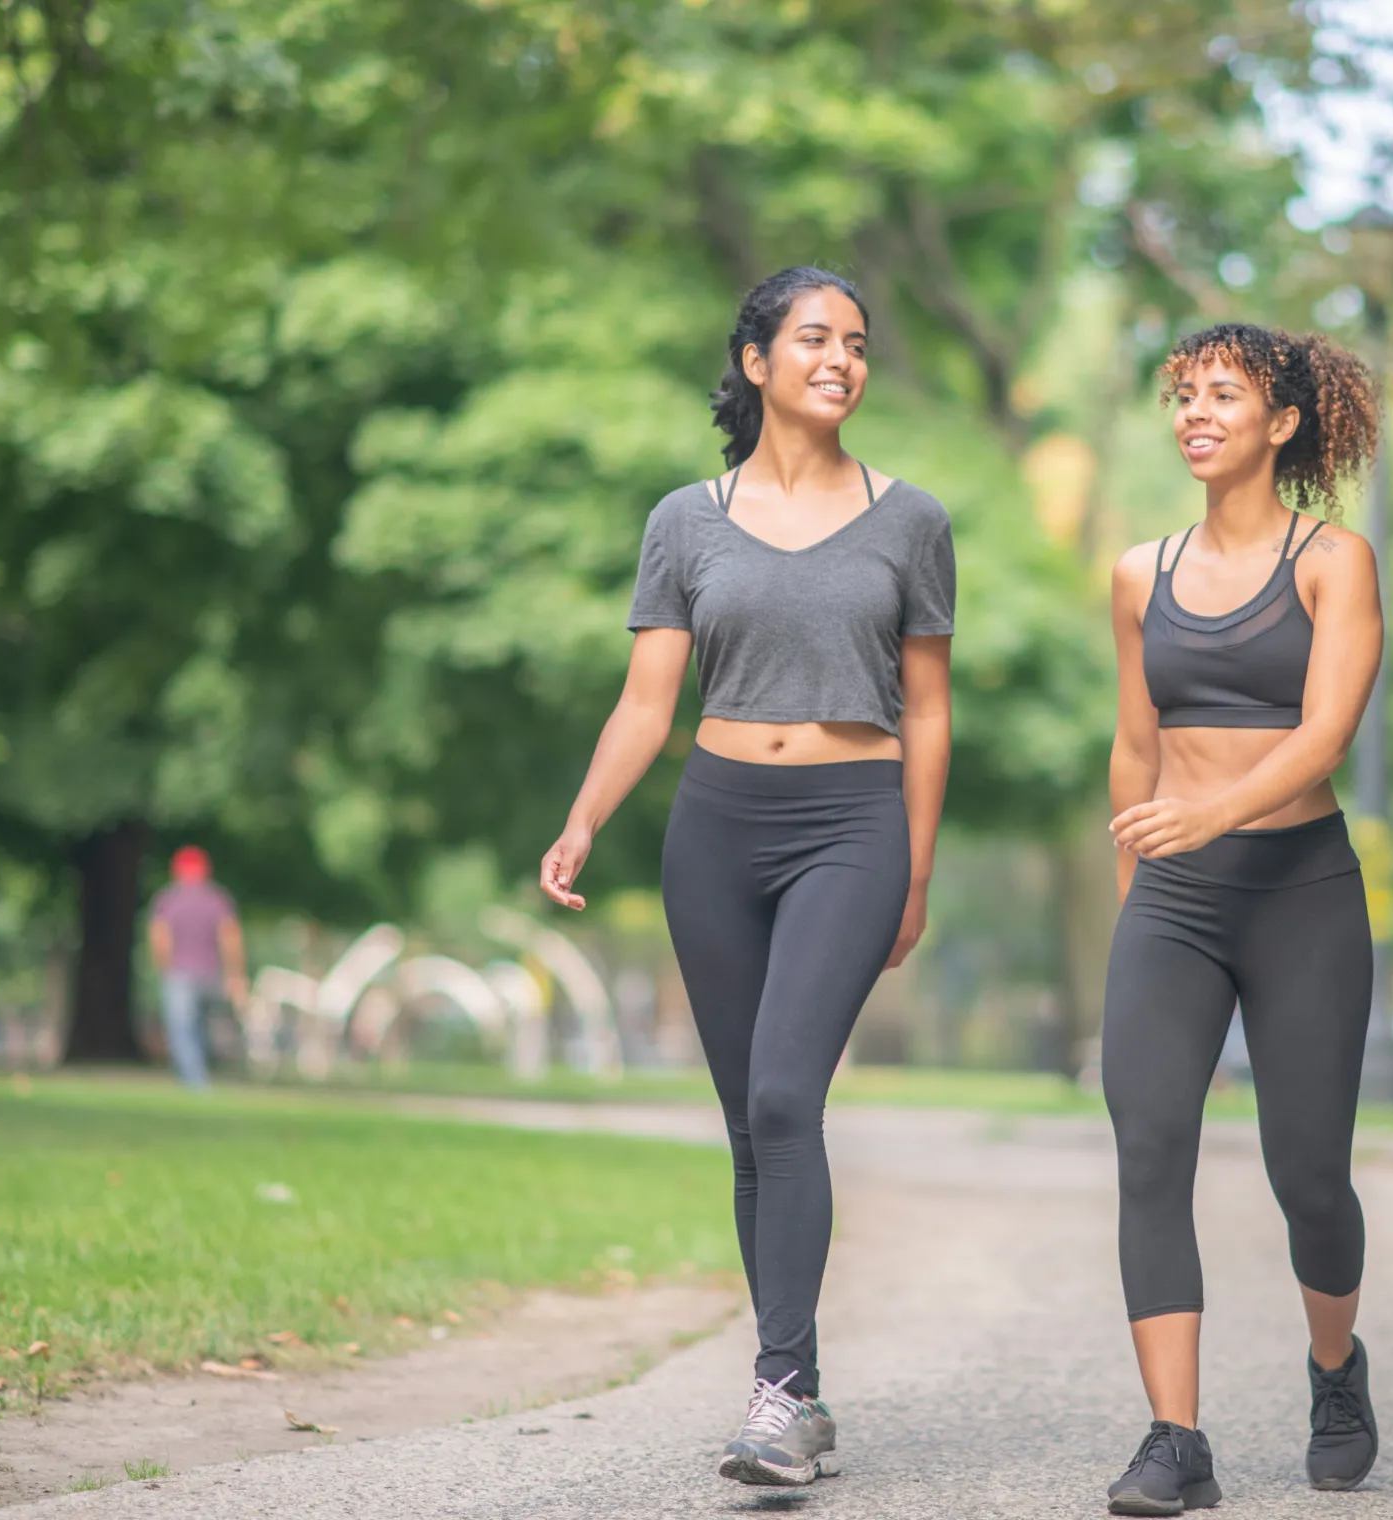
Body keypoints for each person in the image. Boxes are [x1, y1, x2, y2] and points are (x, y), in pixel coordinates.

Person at [538, 267, 952, 1489]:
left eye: (858, 343)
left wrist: (915, 867)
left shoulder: (910, 519)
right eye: (815, 338)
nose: (841, 359)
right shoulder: (684, 520)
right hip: (716, 825)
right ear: (757, 360)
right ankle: (799, 1393)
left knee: (784, 1095)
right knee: (749, 1127)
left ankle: (773, 1396)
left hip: (851, 823)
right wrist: (582, 820)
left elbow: (927, 710)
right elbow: (647, 700)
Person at [1100, 322, 1385, 1513]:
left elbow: (1326, 736)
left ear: (1281, 423)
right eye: (1185, 395)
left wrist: (1207, 814)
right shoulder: (1136, 572)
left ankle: (1336, 1369)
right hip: (1174, 901)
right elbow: (1134, 744)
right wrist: (1138, 897)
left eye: (1227, 395)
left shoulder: (1335, 561)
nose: (1198, 413)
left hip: (1301, 894)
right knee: (1152, 1146)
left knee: (1307, 1173)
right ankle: (1177, 1438)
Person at [147, 846, 247, 1091]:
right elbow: (231, 938)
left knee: (182, 1029)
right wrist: (236, 974)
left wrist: (163, 967)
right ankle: (198, 1075)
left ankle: (195, 1082)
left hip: (179, 973)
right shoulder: (218, 900)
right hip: (210, 972)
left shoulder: (168, 900)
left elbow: (160, 937)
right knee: (199, 1026)